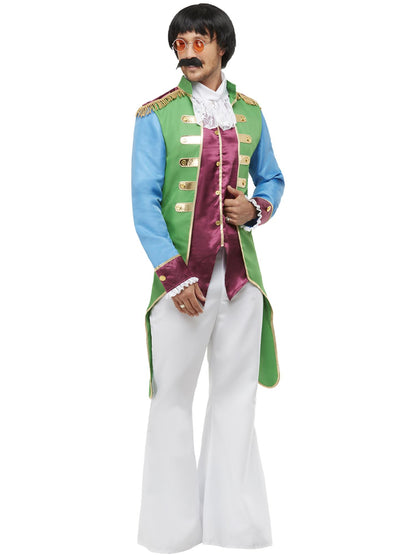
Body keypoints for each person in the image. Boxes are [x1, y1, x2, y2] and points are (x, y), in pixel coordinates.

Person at [131, 3, 285, 552]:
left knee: (237, 399)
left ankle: (234, 529)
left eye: (199, 41)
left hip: (241, 281)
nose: (188, 53)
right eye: (180, 44)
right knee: (172, 401)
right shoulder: (155, 115)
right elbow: (144, 203)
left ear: (222, 46)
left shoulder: (252, 112)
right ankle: (170, 534)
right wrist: (174, 277)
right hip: (182, 286)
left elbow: (272, 178)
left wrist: (257, 208)